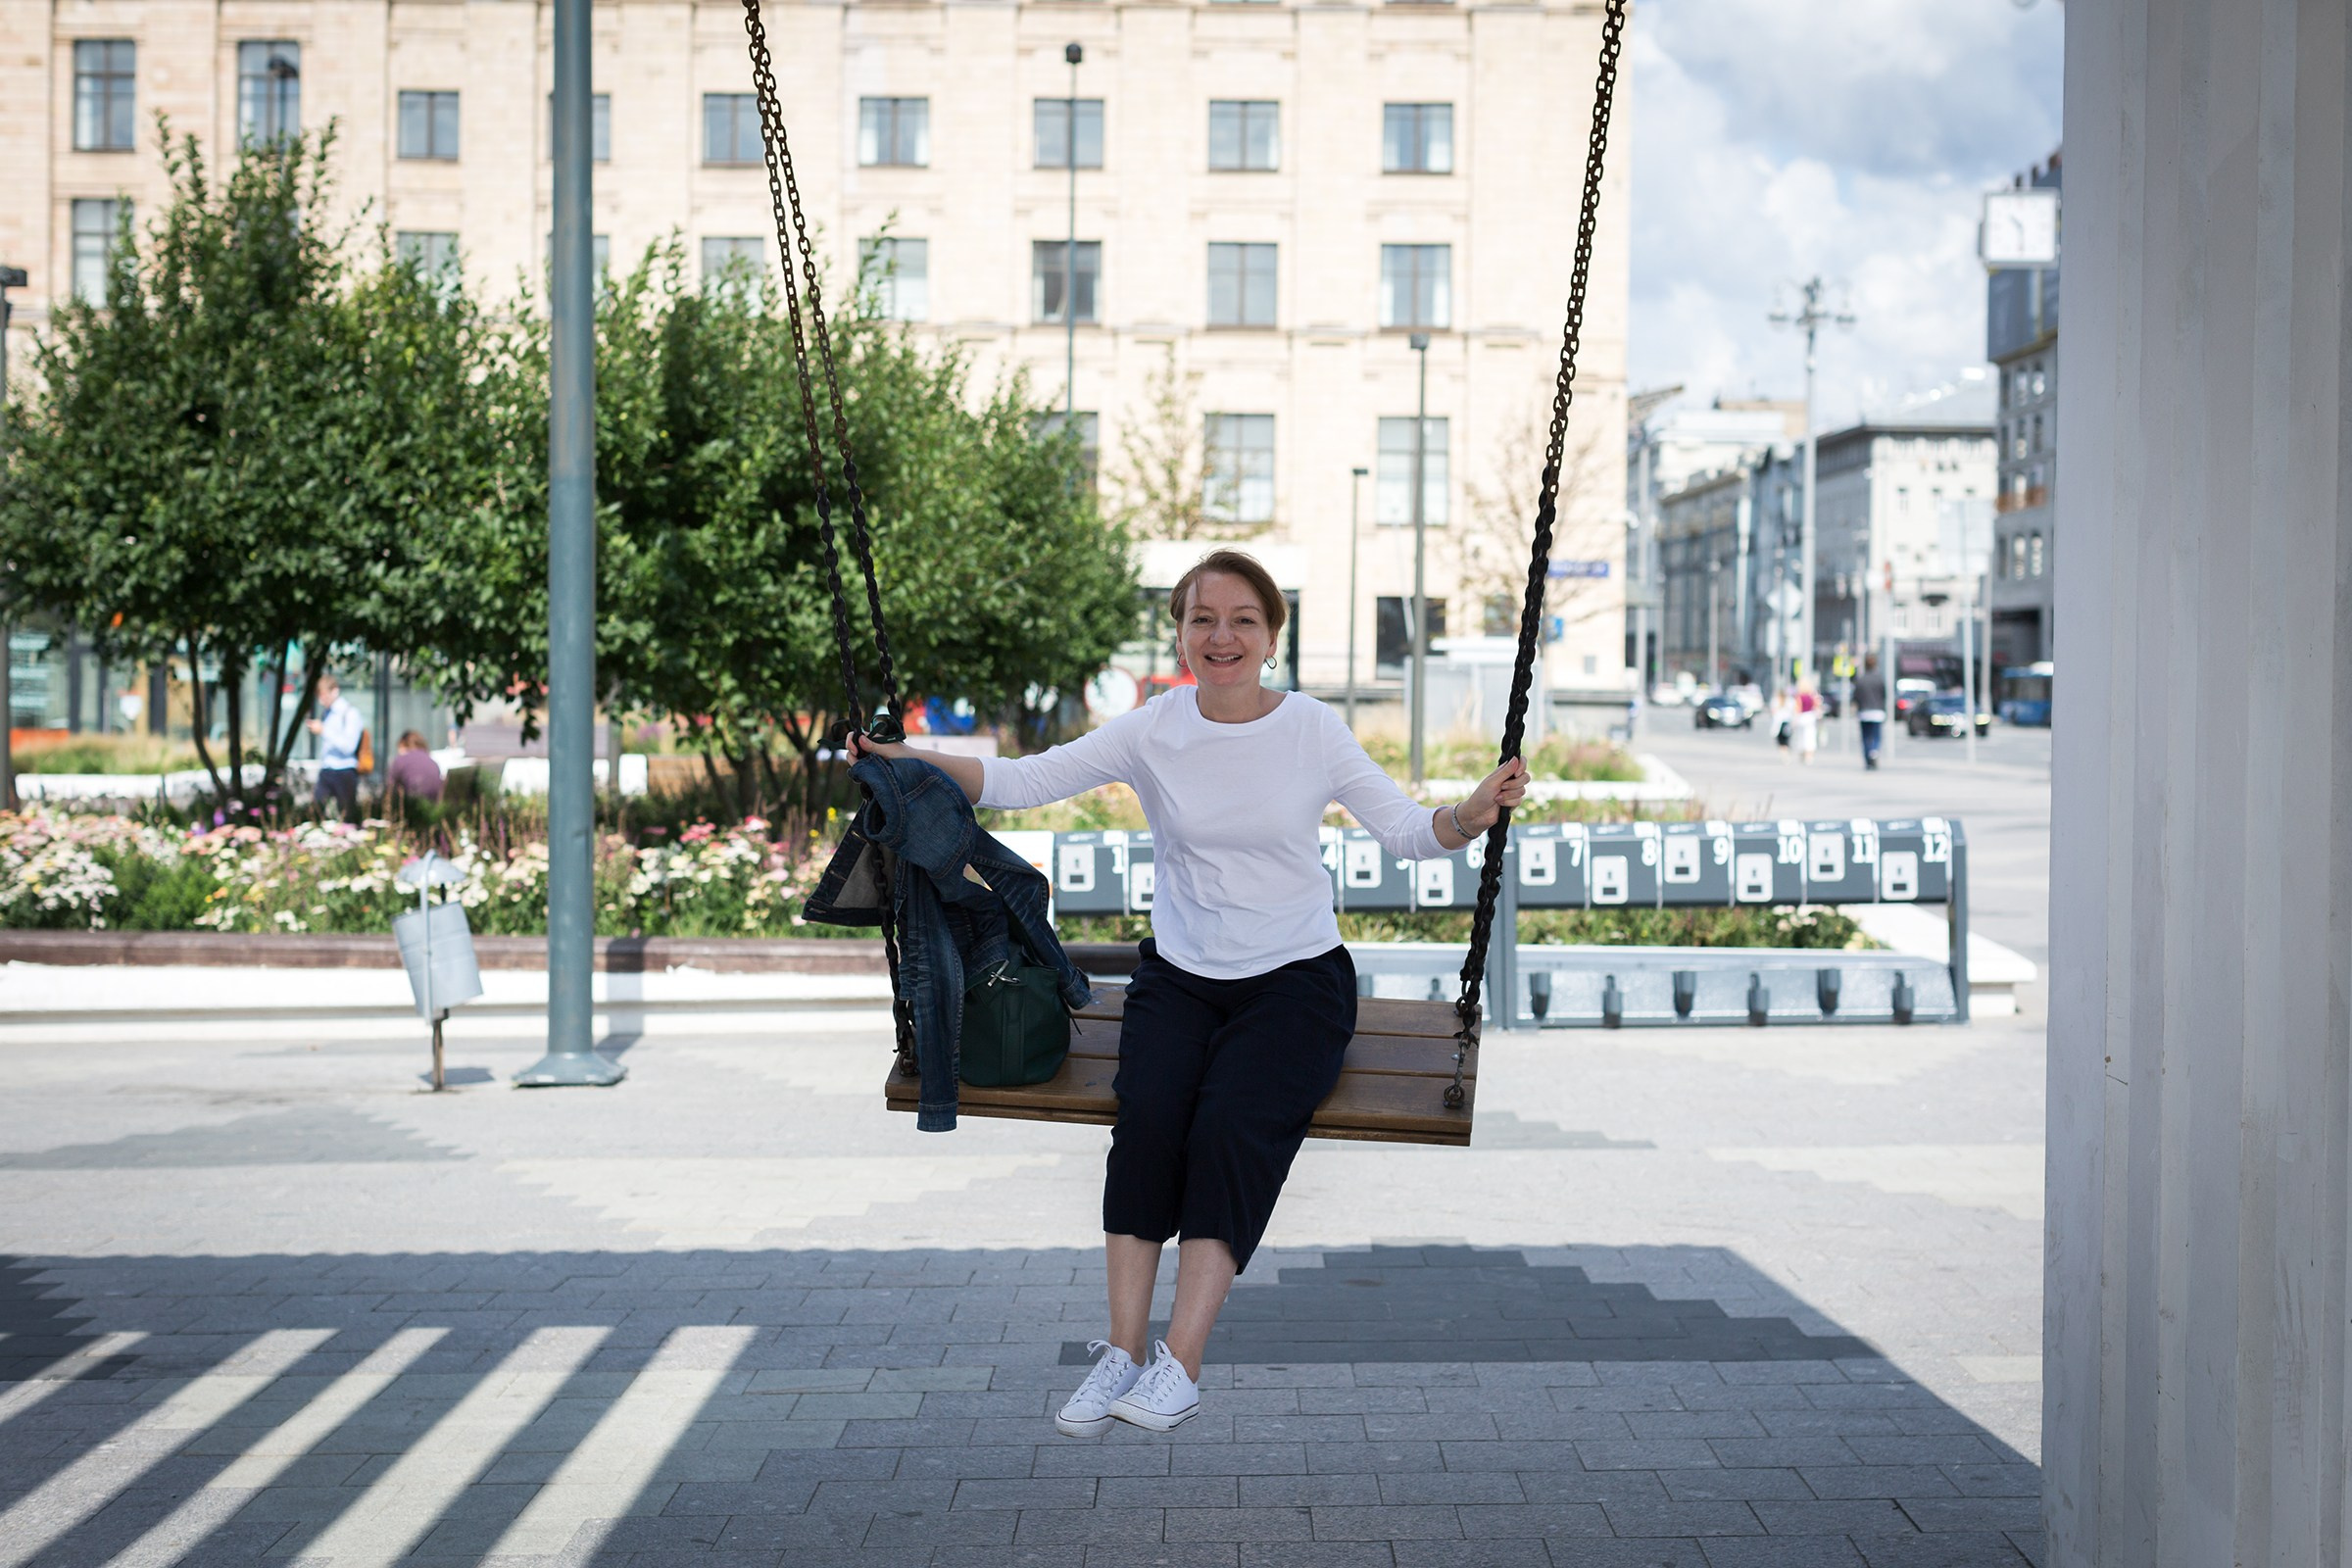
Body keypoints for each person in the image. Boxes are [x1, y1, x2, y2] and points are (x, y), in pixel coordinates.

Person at [849, 549, 1528, 1438]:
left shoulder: (1313, 730)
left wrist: (1468, 816)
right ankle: (1121, 1352)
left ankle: (1181, 1362)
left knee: (1232, 1127)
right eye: (1202, 618)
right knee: (1149, 1124)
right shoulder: (1153, 728)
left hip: (1295, 982)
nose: (1222, 636)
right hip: (1180, 974)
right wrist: (908, 760)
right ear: (1178, 633)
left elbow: (1406, 832)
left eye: (1243, 619)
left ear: (1272, 637)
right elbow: (1025, 780)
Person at [306, 674, 365, 813]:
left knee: (346, 815)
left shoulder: (350, 713)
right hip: (327, 769)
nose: (321, 701)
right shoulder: (327, 713)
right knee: (316, 812)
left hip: (345, 770)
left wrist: (324, 730)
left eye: (324, 696)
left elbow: (349, 746)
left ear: (335, 691)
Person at [1851, 653, 1888, 771]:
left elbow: (1856, 697)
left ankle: (1868, 759)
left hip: (1864, 712)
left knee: (1865, 736)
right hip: (1877, 712)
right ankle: (1874, 752)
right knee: (1876, 735)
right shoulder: (1879, 679)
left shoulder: (1861, 680)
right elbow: (1884, 695)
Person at [387, 730, 444, 802]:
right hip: (433, 806)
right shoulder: (433, 762)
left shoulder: (400, 760)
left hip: (413, 805)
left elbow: (389, 789)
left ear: (403, 745)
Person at [1792, 677, 1822, 764]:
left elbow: (1798, 708)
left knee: (1801, 736)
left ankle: (1802, 753)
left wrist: (1795, 719)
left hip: (1802, 717)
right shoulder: (1812, 696)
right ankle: (1809, 756)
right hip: (1810, 717)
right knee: (1810, 736)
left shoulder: (1799, 697)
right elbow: (1817, 707)